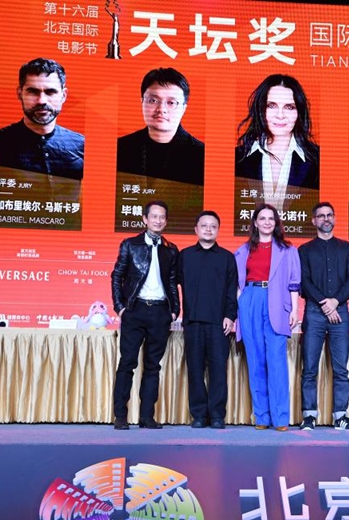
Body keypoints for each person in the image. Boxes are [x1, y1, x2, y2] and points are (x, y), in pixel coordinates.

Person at [111, 200, 180, 430]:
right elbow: (117, 276)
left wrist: (174, 310)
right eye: (154, 216)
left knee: (153, 366)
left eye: (162, 217)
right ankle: (120, 416)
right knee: (127, 364)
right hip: (135, 310)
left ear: (166, 221)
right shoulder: (130, 244)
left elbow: (172, 282)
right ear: (145, 219)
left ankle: (147, 417)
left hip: (160, 312)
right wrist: (120, 307)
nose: (158, 221)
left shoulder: (171, 249)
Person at [234, 204, 301, 431]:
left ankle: (281, 418)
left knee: (276, 361)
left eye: (271, 218)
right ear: (255, 222)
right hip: (250, 301)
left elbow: (294, 284)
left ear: (276, 222)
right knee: (255, 361)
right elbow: (238, 284)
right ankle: (262, 416)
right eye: (262, 218)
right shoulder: (243, 250)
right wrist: (240, 306)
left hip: (277, 303)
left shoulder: (288, 250)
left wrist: (294, 310)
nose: (266, 222)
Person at [116, 68, 204, 234]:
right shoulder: (119, 148)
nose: (161, 109)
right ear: (142, 102)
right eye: (153, 100)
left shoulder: (202, 156)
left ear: (184, 108)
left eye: (171, 103)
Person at [298, 202, 349, 431]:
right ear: (313, 220)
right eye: (321, 216)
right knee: (310, 368)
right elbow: (304, 281)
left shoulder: (347, 249)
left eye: (329, 215)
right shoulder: (304, 250)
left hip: (340, 312)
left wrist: (335, 302)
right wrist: (326, 304)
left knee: (341, 369)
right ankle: (309, 416)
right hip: (314, 313)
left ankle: (341, 416)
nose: (326, 219)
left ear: (334, 218)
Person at [235, 74, 319, 236]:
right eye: (271, 105)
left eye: (289, 107)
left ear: (299, 112)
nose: (280, 115)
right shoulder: (238, 158)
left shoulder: (317, 159)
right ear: (261, 109)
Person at [177, 211, 238, 429]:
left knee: (218, 371)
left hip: (218, 323)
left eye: (213, 226)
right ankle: (199, 415)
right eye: (204, 225)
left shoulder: (227, 257)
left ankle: (217, 415)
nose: (208, 229)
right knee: (195, 370)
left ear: (218, 230)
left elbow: (232, 290)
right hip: (193, 322)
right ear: (196, 229)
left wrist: (230, 316)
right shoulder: (184, 256)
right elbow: (174, 286)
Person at [0, 57, 84, 180]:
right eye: (33, 92)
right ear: (19, 94)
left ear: (63, 95)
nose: (41, 101)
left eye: (50, 92)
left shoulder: (82, 144)